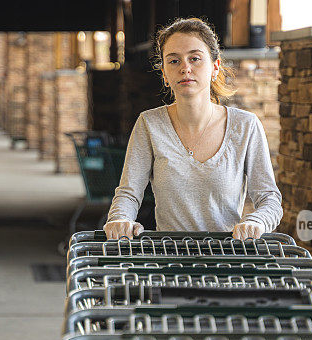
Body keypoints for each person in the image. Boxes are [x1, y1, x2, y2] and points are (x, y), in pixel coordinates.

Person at [103, 18, 282, 241]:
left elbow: (269, 199)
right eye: (174, 61)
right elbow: (128, 194)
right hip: (169, 260)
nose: (185, 68)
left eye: (195, 58)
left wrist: (257, 221)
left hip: (227, 259)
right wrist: (120, 219)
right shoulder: (149, 124)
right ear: (165, 75)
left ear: (215, 67)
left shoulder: (246, 126)